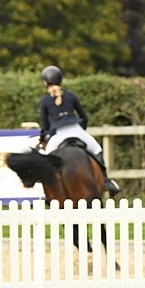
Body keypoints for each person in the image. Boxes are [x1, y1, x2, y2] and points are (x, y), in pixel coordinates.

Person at [37, 66, 119, 194]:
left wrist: (44, 136)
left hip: (59, 135)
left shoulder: (45, 101)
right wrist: (81, 131)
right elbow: (83, 117)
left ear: (46, 83)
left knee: (47, 159)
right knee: (97, 150)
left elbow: (45, 126)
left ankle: (45, 191)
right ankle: (105, 181)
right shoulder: (70, 96)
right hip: (77, 130)